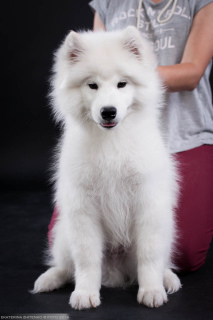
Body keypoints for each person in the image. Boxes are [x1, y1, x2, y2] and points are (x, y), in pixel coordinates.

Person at [48, 0, 213, 272]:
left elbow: (193, 72)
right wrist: (108, 78)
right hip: (111, 134)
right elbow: (93, 58)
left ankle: (152, 270)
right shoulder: (109, 2)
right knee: (66, 239)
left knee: (183, 253)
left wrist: (128, 76)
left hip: (187, 132)